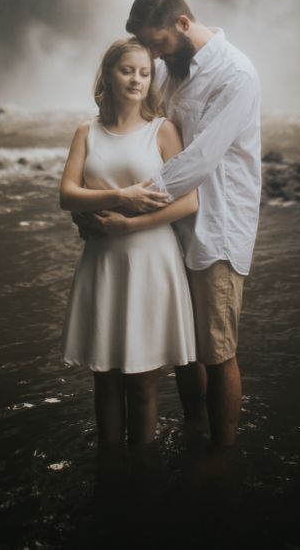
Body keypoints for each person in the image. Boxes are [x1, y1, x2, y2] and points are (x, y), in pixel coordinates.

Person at [122, 0, 262, 449]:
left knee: (217, 351)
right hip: (173, 224)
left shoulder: (235, 74)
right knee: (186, 350)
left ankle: (222, 455)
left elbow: (200, 160)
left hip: (217, 228)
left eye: (157, 43)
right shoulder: (171, 69)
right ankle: (194, 434)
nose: (154, 56)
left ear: (183, 24)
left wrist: (130, 200)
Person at [59, 37, 198, 446]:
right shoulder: (87, 131)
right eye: (127, 70)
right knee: (105, 379)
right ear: (108, 74)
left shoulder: (163, 131)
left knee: (142, 382)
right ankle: (111, 468)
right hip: (103, 261)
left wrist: (132, 225)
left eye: (144, 72)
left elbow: (190, 200)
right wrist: (121, 197)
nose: (136, 79)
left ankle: (142, 471)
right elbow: (66, 194)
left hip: (150, 259)